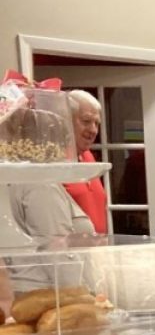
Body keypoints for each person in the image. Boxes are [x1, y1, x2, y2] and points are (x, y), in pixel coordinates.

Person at [62, 90, 108, 234]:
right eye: (86, 121)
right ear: (66, 119)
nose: (93, 130)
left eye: (97, 123)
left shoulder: (88, 157)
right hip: (69, 252)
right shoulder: (52, 160)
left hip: (97, 250)